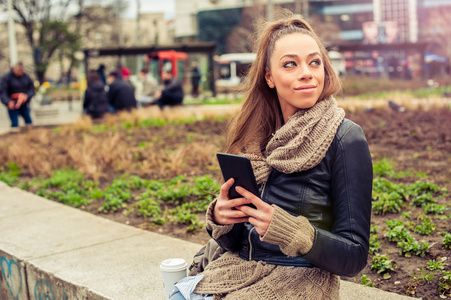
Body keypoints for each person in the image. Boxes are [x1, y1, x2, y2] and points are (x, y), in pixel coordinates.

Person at [170, 13, 373, 299]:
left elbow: (354, 256)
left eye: (314, 62)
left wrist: (288, 230)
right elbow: (236, 241)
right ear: (269, 77)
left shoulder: (345, 137)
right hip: (238, 268)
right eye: (290, 64)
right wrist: (221, 216)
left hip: (298, 280)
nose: (307, 72)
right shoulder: (254, 135)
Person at [0, 62, 35, 130]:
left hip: (23, 103)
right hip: (12, 103)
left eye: (22, 70)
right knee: (15, 123)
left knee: (28, 120)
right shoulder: (6, 78)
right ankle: (14, 132)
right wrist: (8, 101)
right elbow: (3, 92)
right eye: (19, 70)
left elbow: (31, 89)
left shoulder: (26, 77)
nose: (20, 72)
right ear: (13, 69)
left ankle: (29, 132)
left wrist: (27, 96)